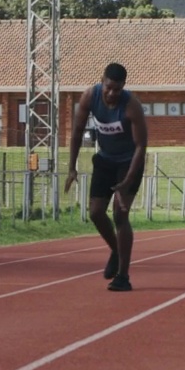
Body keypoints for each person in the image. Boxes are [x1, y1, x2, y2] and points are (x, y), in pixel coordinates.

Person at [64, 63, 147, 292]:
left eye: (117, 89)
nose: (111, 94)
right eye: (108, 87)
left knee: (121, 215)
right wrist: (72, 167)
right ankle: (116, 249)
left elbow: (141, 146)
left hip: (129, 162)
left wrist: (128, 181)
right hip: (105, 159)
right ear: (102, 81)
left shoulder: (131, 106)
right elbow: (77, 131)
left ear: (123, 88)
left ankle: (123, 276)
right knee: (96, 212)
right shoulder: (90, 96)